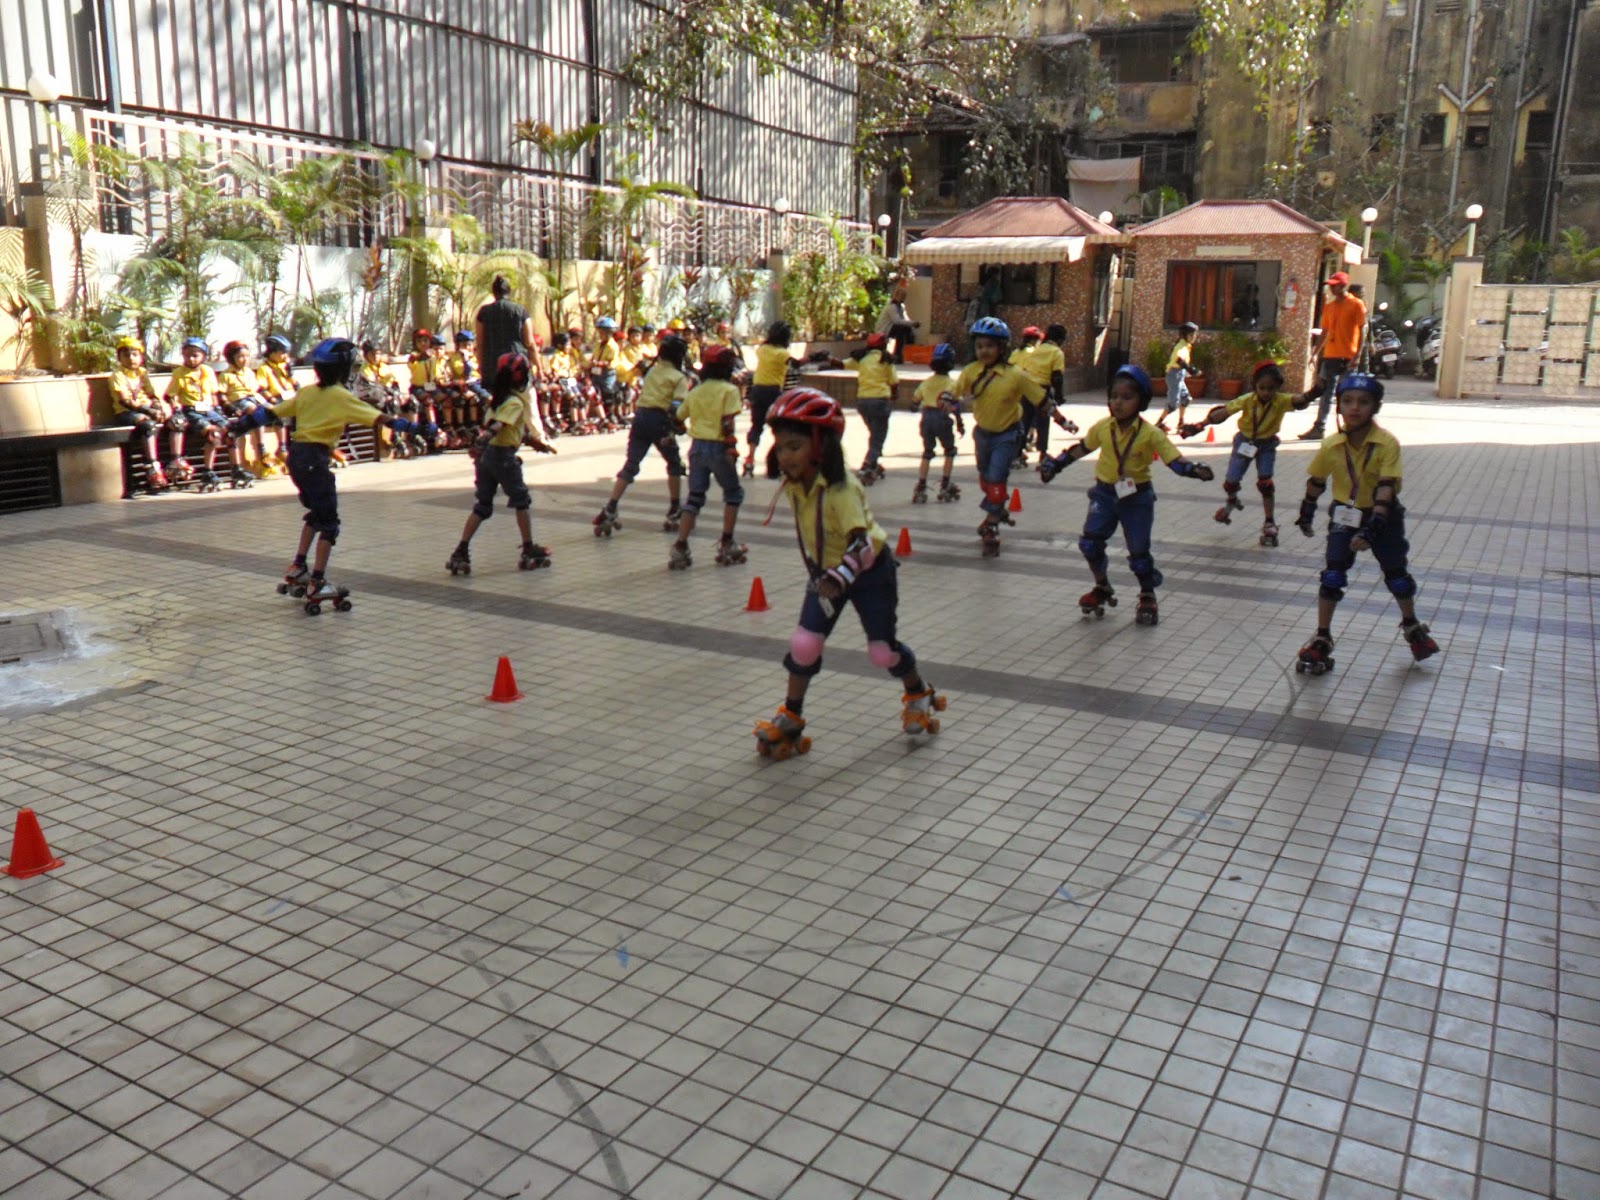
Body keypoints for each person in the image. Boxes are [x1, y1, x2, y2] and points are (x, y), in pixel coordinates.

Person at [753, 387, 945, 760]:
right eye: (780, 446)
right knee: (804, 645)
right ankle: (791, 714)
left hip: (870, 574)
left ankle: (918, 692)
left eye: (795, 446)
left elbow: (862, 545)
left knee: (882, 651)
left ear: (820, 446)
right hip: (827, 574)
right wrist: (828, 575)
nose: (785, 455)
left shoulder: (841, 491)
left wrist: (838, 578)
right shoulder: (795, 484)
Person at [1038, 364, 1215, 626]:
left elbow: (1174, 460)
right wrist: (1055, 465)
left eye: (1126, 397)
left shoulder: (1150, 433)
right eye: (1114, 396)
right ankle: (1102, 586)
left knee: (1139, 554)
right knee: (1090, 544)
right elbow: (1081, 449)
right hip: (1104, 494)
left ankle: (1147, 594)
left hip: (1136, 499)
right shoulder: (1103, 427)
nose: (1118, 402)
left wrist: (1194, 470)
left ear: (1141, 401)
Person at [1292, 373, 1439, 673]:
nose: (1355, 408)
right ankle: (1322, 635)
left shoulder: (1386, 443)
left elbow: (1387, 487)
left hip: (1382, 515)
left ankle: (1411, 624)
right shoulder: (1332, 444)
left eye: (1363, 402)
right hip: (1344, 512)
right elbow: (1317, 481)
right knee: (1332, 576)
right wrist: (1307, 511)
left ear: (1375, 407)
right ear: (1339, 405)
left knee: (1396, 575)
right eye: (1347, 401)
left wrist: (1374, 528)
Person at [267, 339, 383, 613]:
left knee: (316, 515)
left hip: (297, 457)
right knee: (329, 523)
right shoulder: (340, 395)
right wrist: (418, 428)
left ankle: (298, 567)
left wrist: (240, 425)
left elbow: (273, 412)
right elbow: (379, 418)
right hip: (315, 461)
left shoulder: (307, 392)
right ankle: (317, 582)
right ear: (343, 370)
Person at [1179, 360, 1314, 546]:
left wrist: (1314, 392)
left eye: (1271, 388)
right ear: (1255, 386)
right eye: (1262, 388)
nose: (1266, 392)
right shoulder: (1247, 400)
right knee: (1231, 482)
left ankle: (1269, 521)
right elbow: (1224, 412)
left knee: (1266, 483)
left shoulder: (1281, 401)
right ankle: (1232, 501)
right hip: (1245, 441)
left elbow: (1299, 401)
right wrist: (1200, 425)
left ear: (1278, 387)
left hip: (1266, 445)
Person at [446, 352, 556, 577]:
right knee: (521, 501)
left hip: (486, 458)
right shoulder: (514, 402)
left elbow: (512, 429)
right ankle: (528, 548)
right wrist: (482, 439)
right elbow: (497, 427)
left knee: (483, 506)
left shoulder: (498, 401)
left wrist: (536, 444)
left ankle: (461, 550)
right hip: (502, 457)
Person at [955, 317, 1044, 556]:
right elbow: (954, 390)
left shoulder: (1015, 375)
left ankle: (992, 525)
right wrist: (945, 399)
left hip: (1008, 433)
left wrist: (1062, 420)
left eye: (990, 346)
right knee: (986, 478)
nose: (984, 351)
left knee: (996, 477)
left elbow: (1039, 397)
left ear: (1001, 348)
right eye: (980, 346)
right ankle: (996, 510)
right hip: (982, 434)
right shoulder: (971, 371)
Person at [594, 335, 689, 537]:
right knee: (674, 463)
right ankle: (674, 508)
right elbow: (677, 406)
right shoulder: (678, 377)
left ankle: (611, 506)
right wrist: (679, 426)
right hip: (660, 420)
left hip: (640, 418)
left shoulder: (653, 371)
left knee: (632, 464)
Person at [669, 344, 746, 570]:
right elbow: (727, 422)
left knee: (694, 497)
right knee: (733, 493)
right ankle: (727, 542)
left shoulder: (696, 391)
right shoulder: (729, 390)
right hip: (718, 447)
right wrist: (731, 449)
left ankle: (680, 546)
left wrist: (681, 429)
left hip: (697, 448)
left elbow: (678, 417)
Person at [1298, 271, 1366, 439]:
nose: (1332, 289)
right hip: (1330, 356)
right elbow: (1325, 332)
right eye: (1330, 286)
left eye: (1335, 286)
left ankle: (1350, 428)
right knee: (1325, 393)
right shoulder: (1329, 307)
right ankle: (1319, 428)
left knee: (1347, 395)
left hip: (1348, 357)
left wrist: (1357, 355)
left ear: (1343, 285)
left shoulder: (1356, 304)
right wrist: (1315, 353)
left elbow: (1363, 329)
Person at [163, 338, 229, 489]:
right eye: (187, 355)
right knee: (213, 434)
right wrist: (176, 409)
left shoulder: (208, 371)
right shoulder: (179, 373)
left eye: (195, 355)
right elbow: (169, 395)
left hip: (209, 409)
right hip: (192, 410)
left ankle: (237, 468)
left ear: (204, 356)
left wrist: (218, 409)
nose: (191, 359)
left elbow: (214, 393)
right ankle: (208, 472)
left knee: (231, 432)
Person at [108, 337, 171, 492]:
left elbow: (152, 395)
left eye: (135, 355)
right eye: (126, 355)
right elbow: (124, 400)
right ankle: (152, 467)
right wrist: (148, 411)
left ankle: (175, 463)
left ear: (141, 357)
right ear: (119, 358)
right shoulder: (117, 375)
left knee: (175, 422)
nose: (131, 358)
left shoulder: (142, 373)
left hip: (146, 409)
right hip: (126, 413)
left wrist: (157, 408)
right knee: (148, 424)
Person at [910, 343, 963, 504]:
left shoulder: (926, 383)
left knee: (927, 452)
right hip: (942, 418)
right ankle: (945, 485)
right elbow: (956, 406)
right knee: (949, 450)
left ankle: (921, 485)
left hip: (926, 418)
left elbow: (914, 402)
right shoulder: (952, 384)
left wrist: (916, 406)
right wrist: (960, 424)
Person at [842, 333, 898, 485]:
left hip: (863, 402)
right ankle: (867, 464)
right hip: (880, 401)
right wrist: (894, 396)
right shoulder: (886, 360)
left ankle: (873, 462)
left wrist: (825, 359)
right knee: (878, 436)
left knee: (874, 434)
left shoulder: (862, 359)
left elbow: (842, 364)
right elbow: (894, 382)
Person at [743, 321, 793, 478]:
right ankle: (778, 460)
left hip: (757, 390)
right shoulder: (783, 354)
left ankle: (749, 460)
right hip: (774, 392)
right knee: (779, 427)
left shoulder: (762, 349)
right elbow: (795, 364)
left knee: (756, 426)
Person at [217, 341, 267, 487]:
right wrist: (228, 405)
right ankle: (259, 449)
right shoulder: (226, 375)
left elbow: (257, 390)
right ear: (231, 358)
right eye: (240, 356)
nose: (244, 359)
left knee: (266, 412)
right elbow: (221, 394)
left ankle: (261, 447)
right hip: (238, 401)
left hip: (254, 399)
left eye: (246, 356)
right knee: (255, 412)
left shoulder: (249, 372)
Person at [474, 274, 536, 378]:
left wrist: (480, 365)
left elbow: (480, 343)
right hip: (516, 366)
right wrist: (540, 368)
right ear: (509, 292)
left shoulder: (483, 312)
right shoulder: (520, 310)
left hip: (492, 367)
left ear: (494, 292)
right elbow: (529, 342)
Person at [255, 334, 295, 472]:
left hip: (290, 397)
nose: (285, 356)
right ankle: (282, 448)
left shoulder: (285, 366)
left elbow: (296, 386)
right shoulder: (264, 368)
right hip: (275, 399)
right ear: (272, 352)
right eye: (282, 353)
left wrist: (291, 374)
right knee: (280, 413)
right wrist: (271, 398)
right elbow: (261, 389)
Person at [1154, 322, 1200, 432]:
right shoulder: (1181, 346)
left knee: (1185, 399)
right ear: (1184, 335)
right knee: (1173, 404)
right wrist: (1191, 369)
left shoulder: (1185, 345)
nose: (1194, 337)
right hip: (1174, 375)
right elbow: (1179, 360)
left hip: (1178, 374)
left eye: (1194, 335)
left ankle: (1181, 423)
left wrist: (1187, 371)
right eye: (1191, 335)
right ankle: (1158, 423)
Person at [875, 283, 918, 363]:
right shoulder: (891, 306)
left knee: (907, 329)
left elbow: (905, 319)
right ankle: (897, 354)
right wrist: (911, 323)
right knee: (901, 329)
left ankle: (903, 352)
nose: (903, 298)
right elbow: (897, 321)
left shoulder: (901, 306)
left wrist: (912, 324)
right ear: (896, 296)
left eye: (904, 296)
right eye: (901, 296)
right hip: (884, 329)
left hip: (892, 328)